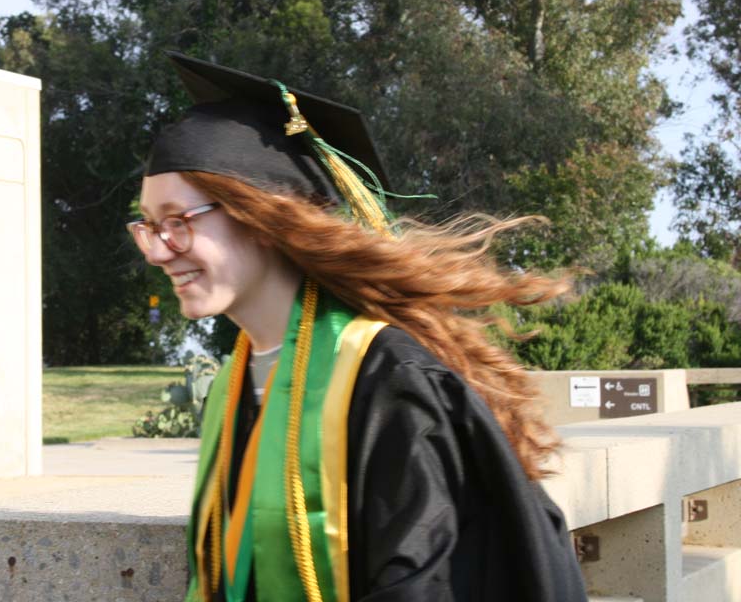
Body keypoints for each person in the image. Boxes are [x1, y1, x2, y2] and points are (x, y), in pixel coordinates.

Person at [128, 52, 588, 601]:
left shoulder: (390, 382)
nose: (158, 251)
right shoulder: (234, 385)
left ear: (263, 217)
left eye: (178, 222)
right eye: (148, 226)